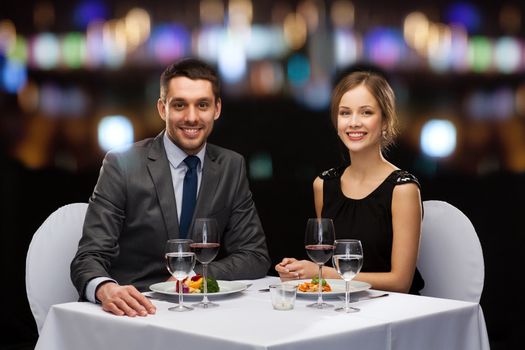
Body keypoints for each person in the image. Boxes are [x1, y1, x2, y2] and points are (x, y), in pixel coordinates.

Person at [71, 58, 271, 317]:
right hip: (136, 312)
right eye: (179, 105)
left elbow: (254, 256)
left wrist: (192, 277)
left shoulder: (231, 166)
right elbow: (88, 257)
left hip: (205, 312)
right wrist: (106, 288)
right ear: (162, 109)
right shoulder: (121, 164)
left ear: (217, 109)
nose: (191, 117)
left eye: (202, 105)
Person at [275, 71, 424, 294]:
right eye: (345, 113)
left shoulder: (403, 189)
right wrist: (296, 271)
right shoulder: (323, 185)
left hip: (392, 310)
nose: (354, 122)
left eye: (366, 112)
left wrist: (320, 273)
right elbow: (325, 263)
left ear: (385, 121)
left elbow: (400, 282)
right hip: (340, 307)